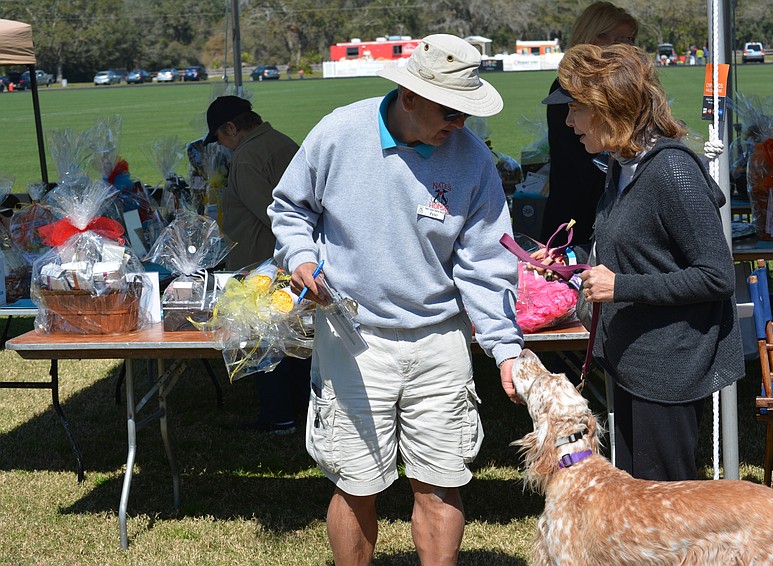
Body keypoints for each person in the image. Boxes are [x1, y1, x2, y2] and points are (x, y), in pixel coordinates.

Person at [268, 34, 523, 565]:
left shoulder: (474, 161)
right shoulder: (339, 131)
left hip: (440, 340)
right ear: (410, 96)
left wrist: (505, 349)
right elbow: (290, 210)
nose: (459, 124)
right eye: (450, 111)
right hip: (352, 337)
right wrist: (301, 260)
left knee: (442, 482)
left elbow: (486, 263)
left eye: (465, 112)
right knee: (356, 483)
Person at [557, 43, 745, 481]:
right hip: (631, 361)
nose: (568, 121)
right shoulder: (621, 166)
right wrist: (571, 262)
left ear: (608, 105)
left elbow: (717, 276)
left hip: (668, 371)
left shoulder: (670, 172)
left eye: (575, 108)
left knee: (668, 510)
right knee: (640, 507)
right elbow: (633, 252)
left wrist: (621, 287)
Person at [203, 95, 311, 435]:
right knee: (295, 340)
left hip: (262, 265)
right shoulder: (281, 142)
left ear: (232, 128)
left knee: (264, 342)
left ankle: (278, 417)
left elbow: (273, 214)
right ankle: (300, 410)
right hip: (288, 262)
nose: (220, 144)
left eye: (220, 135)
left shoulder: (247, 157)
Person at [540, 1, 638, 247]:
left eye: (626, 39)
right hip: (575, 224)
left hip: (615, 222)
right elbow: (589, 168)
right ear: (586, 38)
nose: (616, 46)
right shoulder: (566, 89)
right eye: (604, 36)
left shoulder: (629, 90)